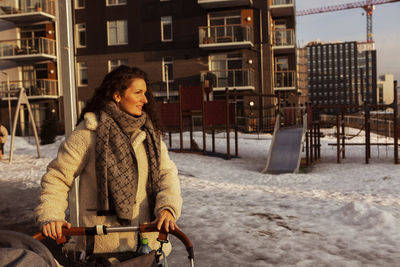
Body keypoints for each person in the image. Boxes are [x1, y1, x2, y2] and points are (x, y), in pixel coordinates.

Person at [34, 66, 182, 262]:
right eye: (138, 93)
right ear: (117, 95)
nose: (144, 100)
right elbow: (58, 177)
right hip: (103, 248)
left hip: (149, 244)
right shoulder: (88, 134)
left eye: (145, 93)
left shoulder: (149, 134)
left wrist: (167, 208)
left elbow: (166, 175)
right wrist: (51, 215)